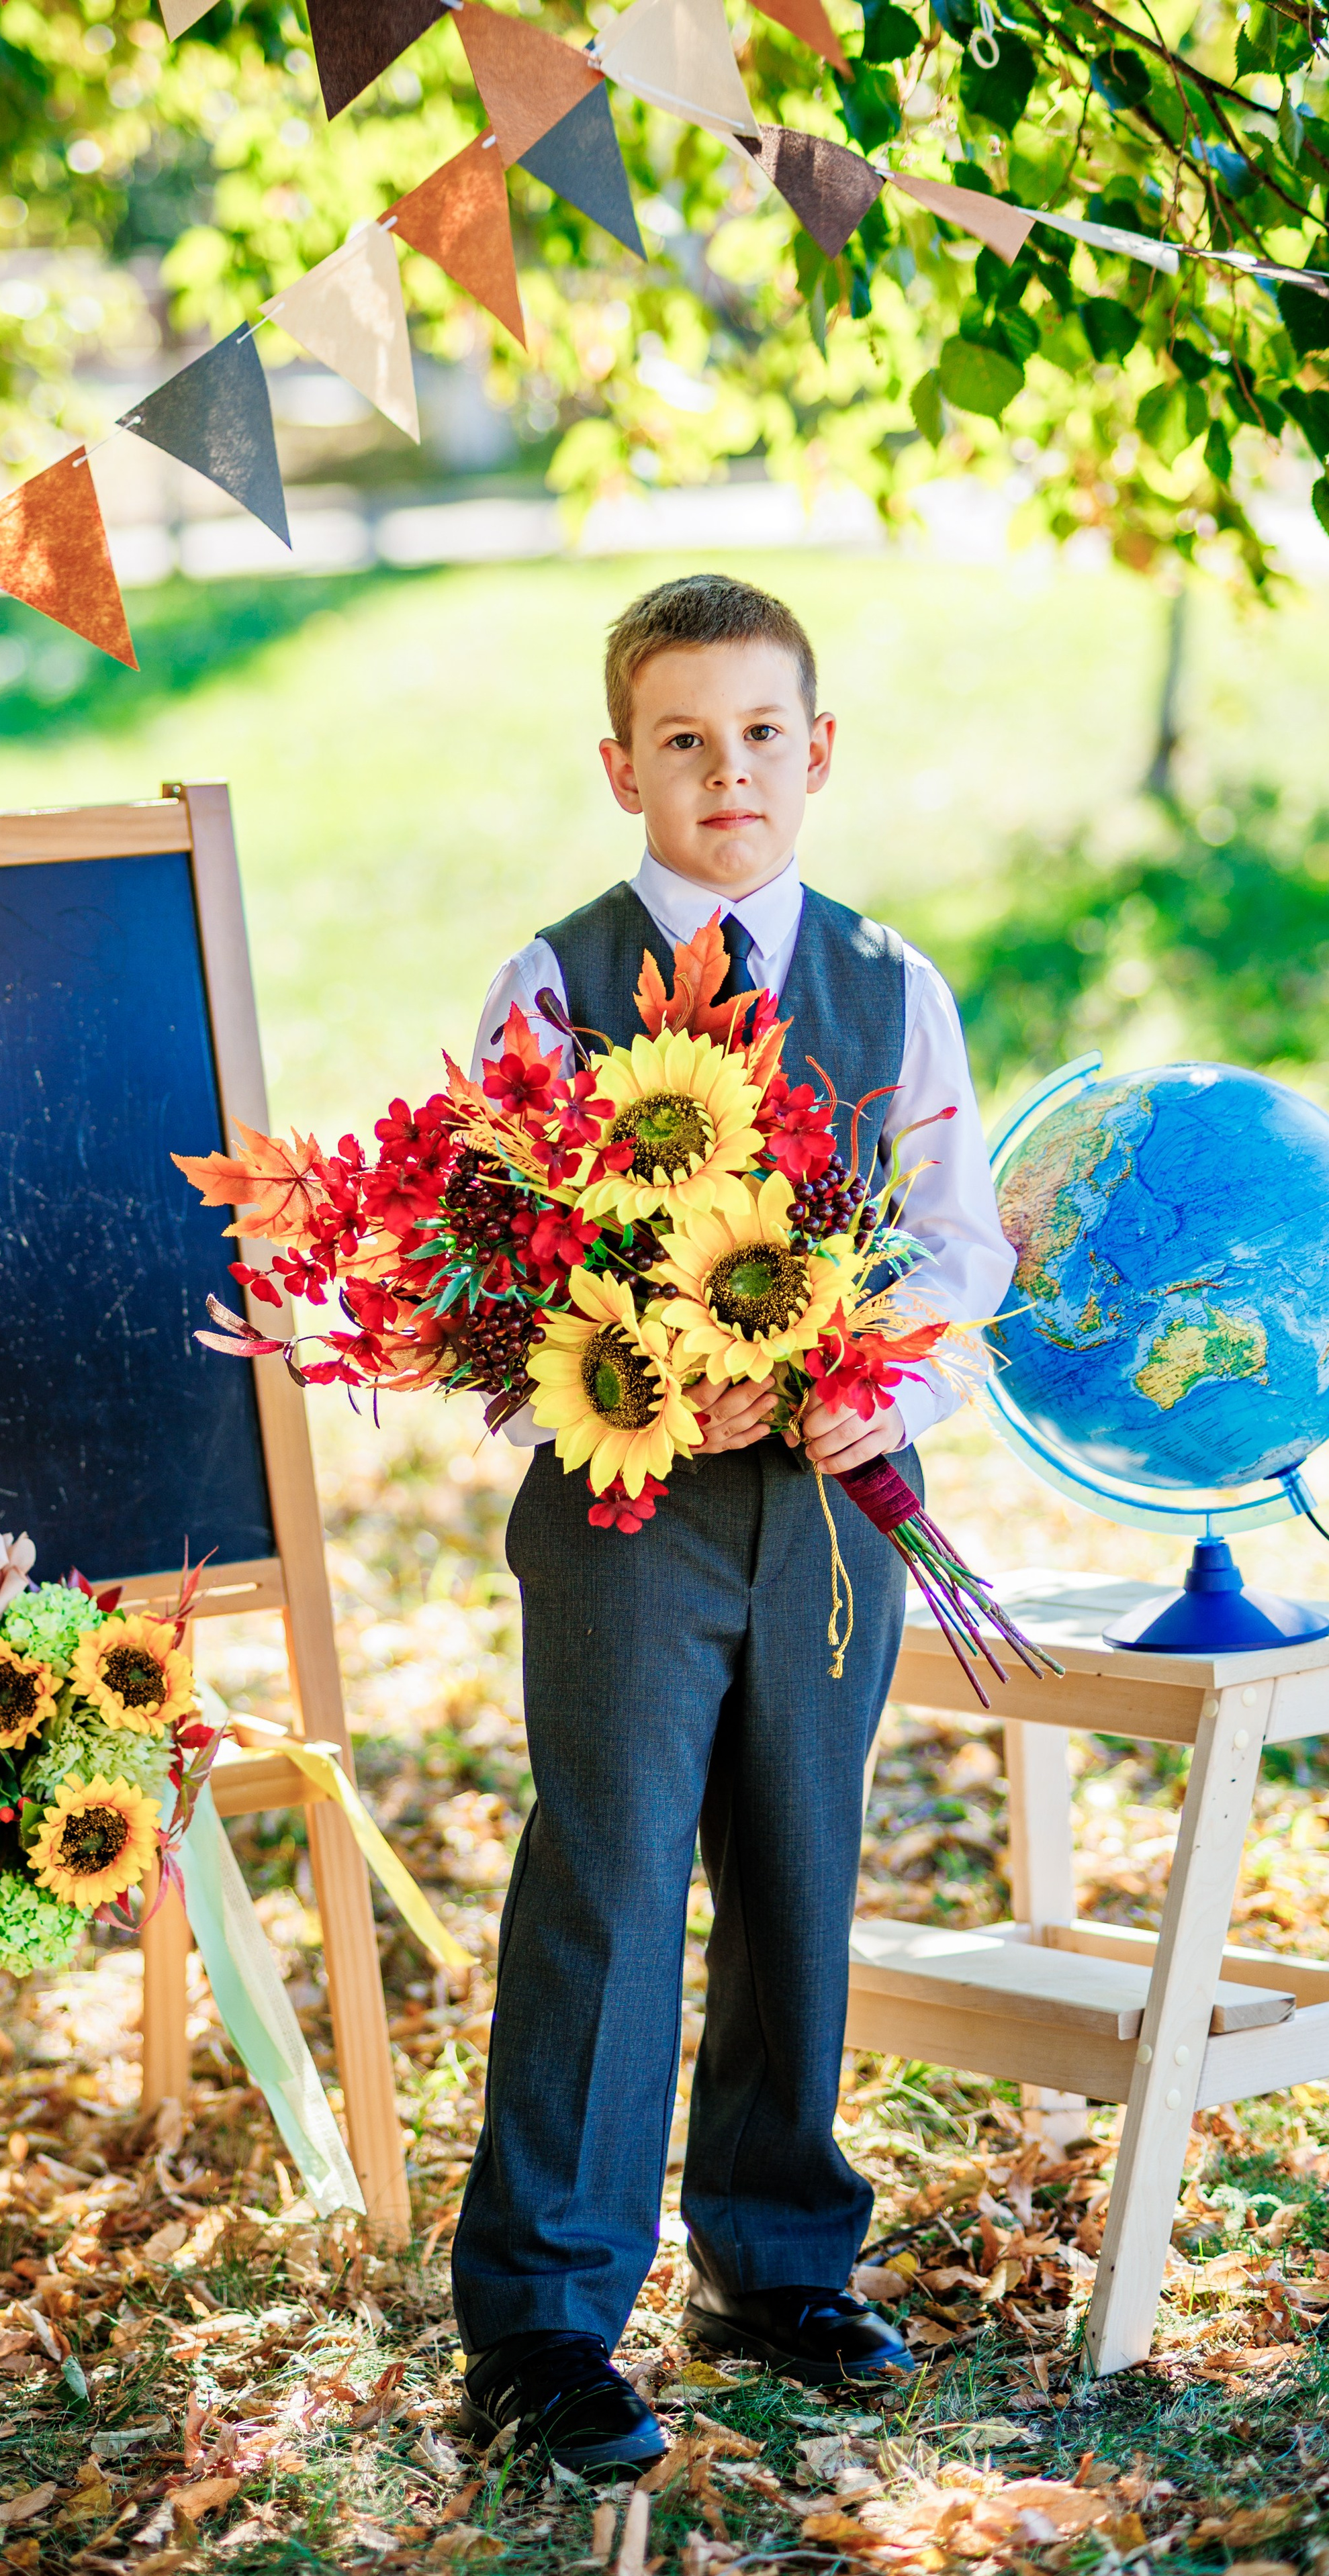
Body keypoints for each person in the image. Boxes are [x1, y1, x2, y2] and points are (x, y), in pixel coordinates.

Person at [449, 573, 1017, 2474]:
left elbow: (955, 1249)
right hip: (631, 1513)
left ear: (819, 749)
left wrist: (885, 1386)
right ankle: (545, 2316)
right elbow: (489, 1273)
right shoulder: (555, 985)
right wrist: (647, 1376)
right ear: (623, 768)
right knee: (610, 1880)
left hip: (834, 1514)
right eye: (684, 740)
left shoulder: (891, 985)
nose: (729, 772)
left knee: (799, 1871)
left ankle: (776, 2262)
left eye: (762, 733)